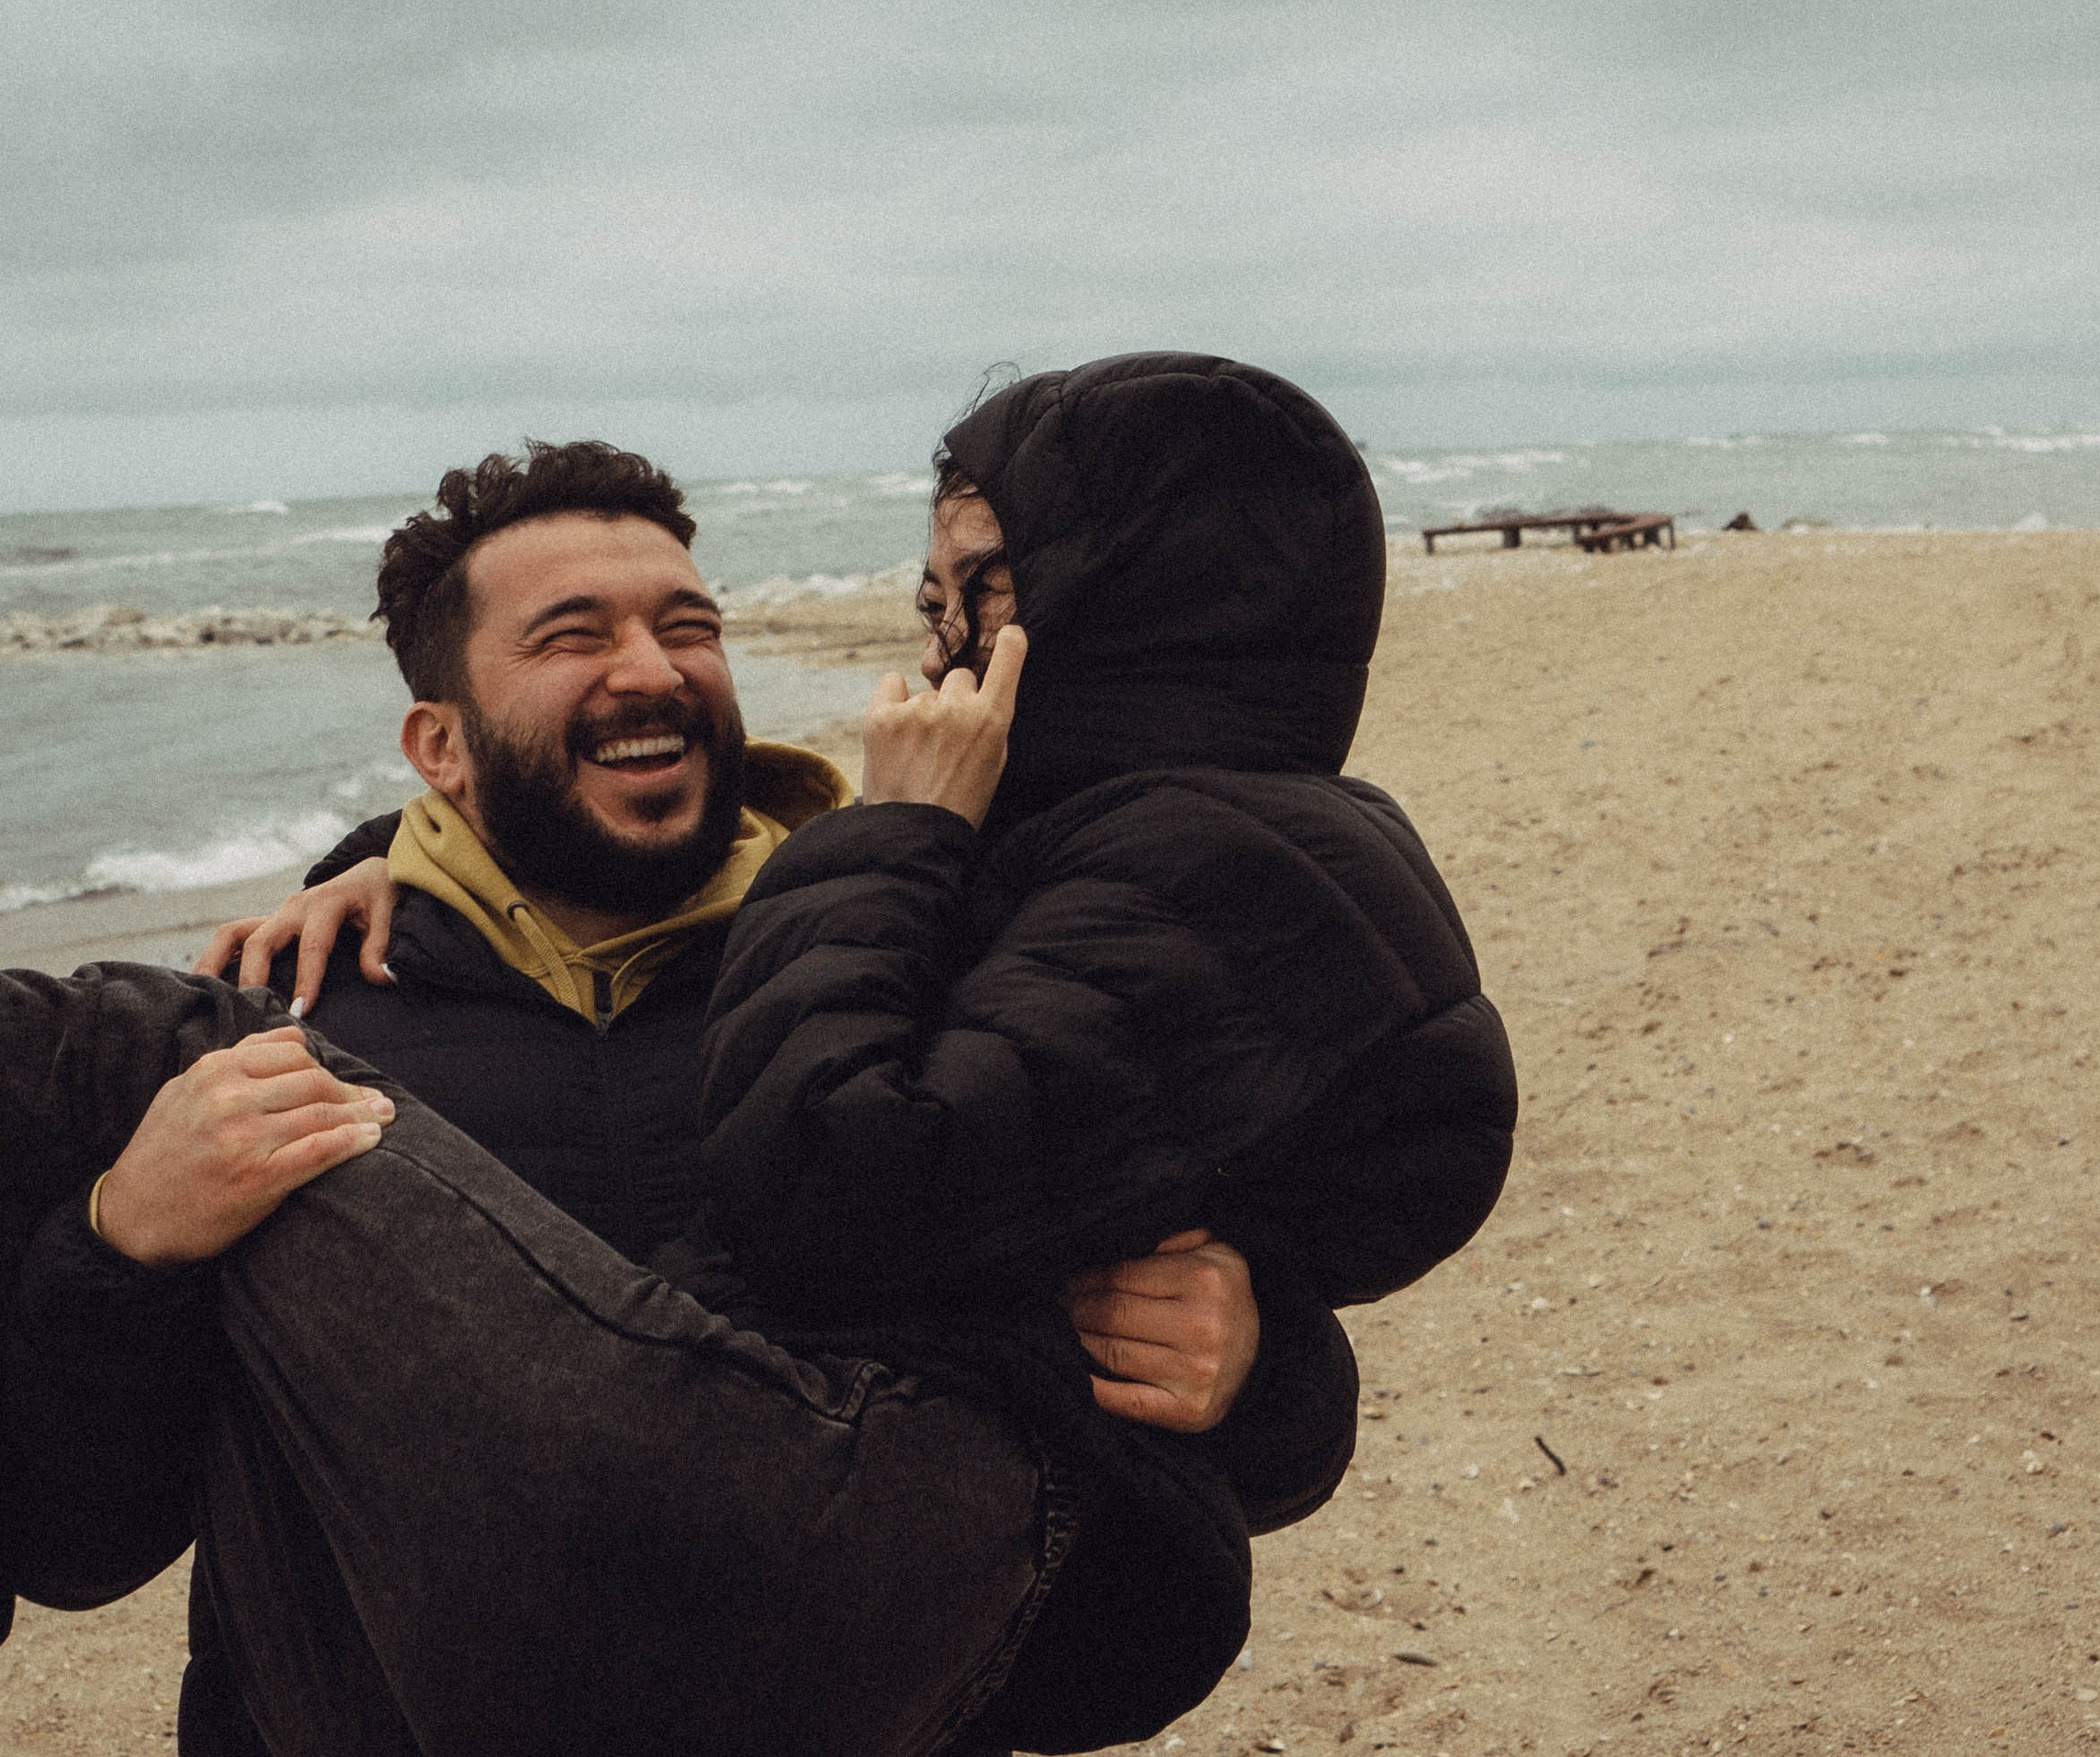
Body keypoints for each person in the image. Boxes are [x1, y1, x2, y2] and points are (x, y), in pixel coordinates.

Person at [0, 441, 1352, 1757]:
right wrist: (121, 1243)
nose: (650, 671)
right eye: (570, 637)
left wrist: (1250, 1354)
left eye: (687, 625)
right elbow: (72, 1542)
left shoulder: (923, 981)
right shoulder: (292, 1020)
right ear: (439, 745)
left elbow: (1273, 1429)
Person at [694, 352, 1520, 1748]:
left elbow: (838, 1180)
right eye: (929, 598)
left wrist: (898, 829)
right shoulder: (1095, 833)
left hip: (928, 1580)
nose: (941, 645)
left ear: (1137, 596)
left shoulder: (1187, 854)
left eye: (982, 590)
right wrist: (391, 874)